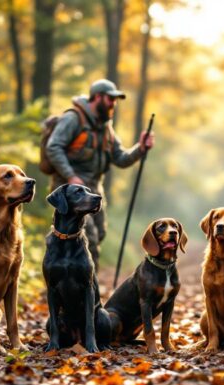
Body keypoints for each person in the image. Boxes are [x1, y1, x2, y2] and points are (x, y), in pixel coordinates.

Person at [45, 79, 154, 270]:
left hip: (94, 189)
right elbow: (53, 147)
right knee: (90, 239)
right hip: (71, 192)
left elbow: (120, 158)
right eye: (110, 99)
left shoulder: (106, 127)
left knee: (100, 233)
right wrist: (71, 176)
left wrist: (141, 148)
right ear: (97, 97)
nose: (114, 103)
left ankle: (76, 279)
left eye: (115, 100)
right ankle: (85, 283)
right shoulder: (73, 119)